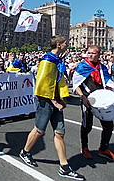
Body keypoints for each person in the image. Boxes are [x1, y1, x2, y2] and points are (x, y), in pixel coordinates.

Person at [19, 35, 85, 180]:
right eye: (66, 43)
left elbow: (57, 81)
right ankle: (25, 152)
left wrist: (61, 99)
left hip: (56, 100)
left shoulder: (57, 60)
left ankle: (64, 167)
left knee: (59, 133)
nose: (68, 44)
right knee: (39, 130)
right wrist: (54, 101)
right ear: (59, 45)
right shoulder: (47, 60)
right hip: (46, 100)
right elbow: (42, 83)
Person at [73, 45, 114, 161]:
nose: (90, 55)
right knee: (87, 125)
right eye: (88, 53)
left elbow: (108, 82)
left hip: (100, 99)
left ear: (99, 55)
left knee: (108, 125)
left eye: (93, 53)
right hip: (87, 98)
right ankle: (84, 147)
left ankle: (103, 148)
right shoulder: (82, 66)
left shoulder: (102, 67)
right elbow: (76, 84)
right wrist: (83, 98)